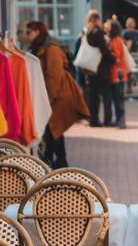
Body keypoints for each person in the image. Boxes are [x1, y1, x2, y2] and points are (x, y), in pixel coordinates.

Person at [24, 21, 89, 167]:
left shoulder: (50, 47)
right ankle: (59, 161)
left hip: (58, 95)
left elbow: (54, 74)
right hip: (53, 94)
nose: (28, 35)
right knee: (55, 130)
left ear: (38, 32)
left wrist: (49, 99)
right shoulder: (41, 45)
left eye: (30, 32)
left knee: (54, 129)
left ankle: (52, 161)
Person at [82, 10, 115, 126]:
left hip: (89, 69)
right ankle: (107, 119)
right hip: (100, 69)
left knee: (93, 97)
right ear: (97, 20)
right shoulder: (98, 32)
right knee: (106, 95)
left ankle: (93, 120)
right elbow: (103, 50)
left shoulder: (86, 32)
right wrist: (113, 59)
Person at [104, 20, 129, 128]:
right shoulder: (112, 40)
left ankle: (121, 121)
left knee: (119, 99)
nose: (105, 28)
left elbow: (117, 57)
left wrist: (108, 51)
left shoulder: (116, 40)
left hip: (118, 75)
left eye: (107, 26)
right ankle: (119, 119)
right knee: (116, 98)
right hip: (114, 75)